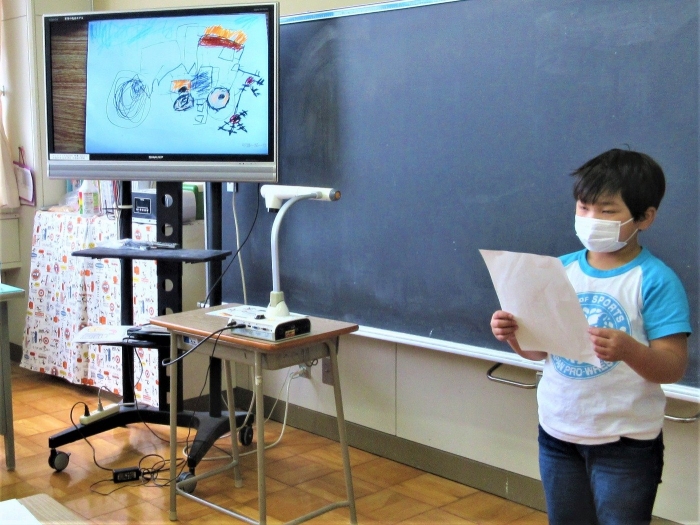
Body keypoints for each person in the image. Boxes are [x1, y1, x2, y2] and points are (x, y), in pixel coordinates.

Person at [490, 148, 691, 525]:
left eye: (607, 211)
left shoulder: (655, 280)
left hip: (625, 443)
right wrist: (514, 336)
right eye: (584, 208)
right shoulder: (559, 270)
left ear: (645, 217)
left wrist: (629, 350)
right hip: (558, 431)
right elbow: (541, 353)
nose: (591, 219)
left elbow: (673, 366)